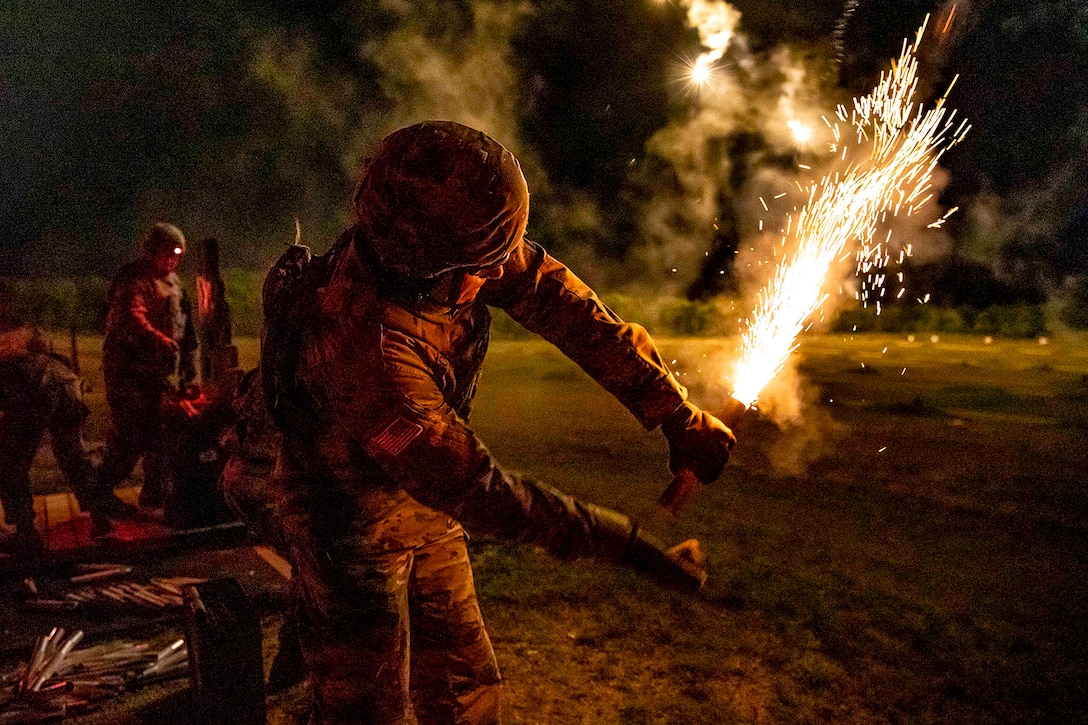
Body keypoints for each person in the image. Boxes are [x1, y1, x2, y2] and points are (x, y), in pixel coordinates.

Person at [262, 120, 736, 725]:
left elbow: (559, 300)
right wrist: (630, 547)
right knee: (364, 709)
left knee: (465, 690)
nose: (498, 274)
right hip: (347, 521)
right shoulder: (371, 349)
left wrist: (671, 409)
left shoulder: (441, 254)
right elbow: (482, 493)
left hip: (423, 504)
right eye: (483, 265)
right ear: (425, 262)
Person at [0, 325, 129, 554]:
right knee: (73, 456)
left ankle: (26, 533)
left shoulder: (12, 364)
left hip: (35, 383)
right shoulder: (14, 356)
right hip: (66, 380)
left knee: (10, 462)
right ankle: (101, 517)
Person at [98, 222, 198, 512]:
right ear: (151, 252)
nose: (172, 260)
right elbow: (132, 316)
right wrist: (159, 338)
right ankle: (100, 493)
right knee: (129, 436)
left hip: (157, 373)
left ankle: (155, 492)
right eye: (167, 254)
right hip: (128, 373)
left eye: (176, 255)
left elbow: (185, 325)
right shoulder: (134, 280)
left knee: (161, 434)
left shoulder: (174, 283)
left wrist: (188, 362)